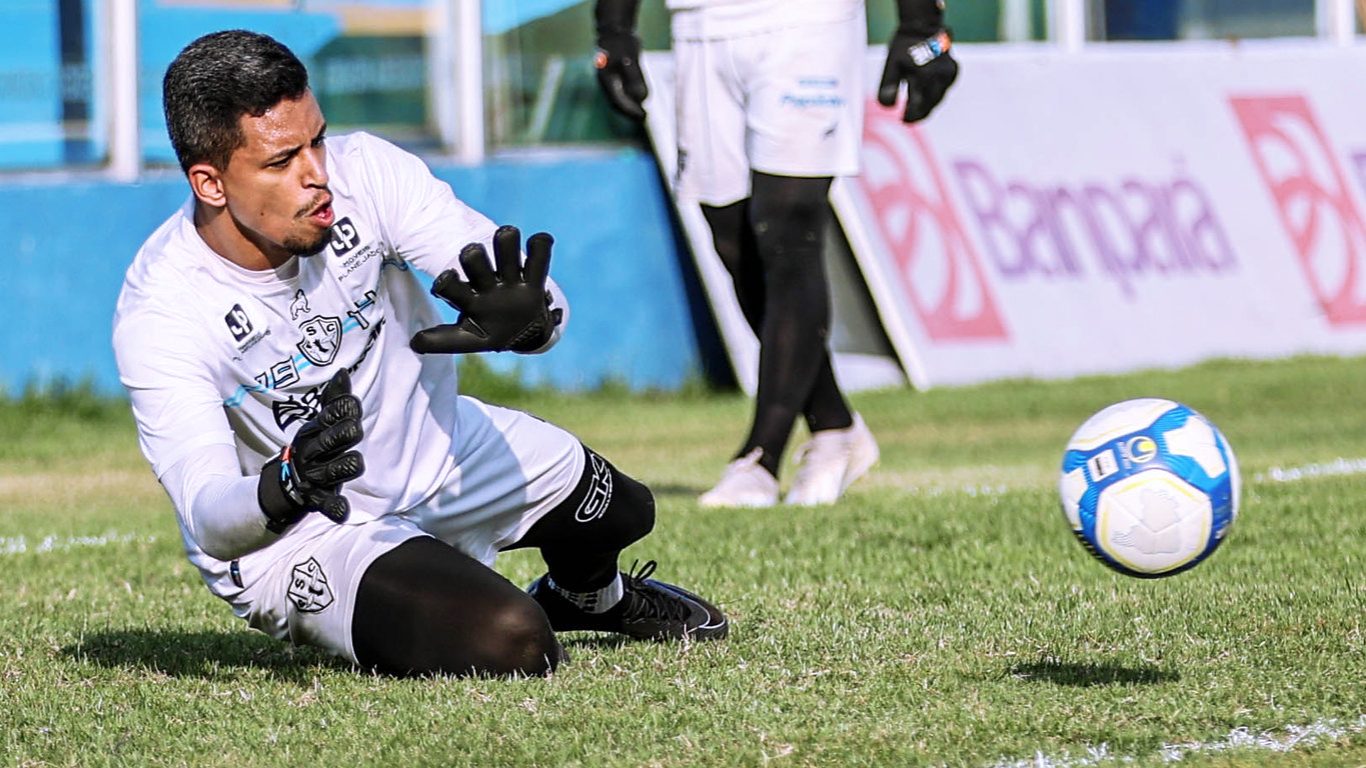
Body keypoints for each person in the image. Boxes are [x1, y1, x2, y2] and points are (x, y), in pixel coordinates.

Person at [112, 29, 728, 679]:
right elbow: (209, 514)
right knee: (515, 643)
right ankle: (441, 588)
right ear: (209, 182)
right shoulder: (162, 312)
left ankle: (592, 598)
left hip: (442, 449)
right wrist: (285, 487)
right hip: (310, 531)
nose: (316, 174)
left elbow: (526, 288)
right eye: (280, 160)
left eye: (316, 139)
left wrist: (530, 323)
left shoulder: (369, 173)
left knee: (624, 509)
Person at [592, 0, 957, 507]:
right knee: (733, 240)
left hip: (806, 22)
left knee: (786, 234)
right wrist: (613, 27)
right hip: (698, 26)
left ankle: (760, 459)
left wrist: (923, 25)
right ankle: (835, 428)